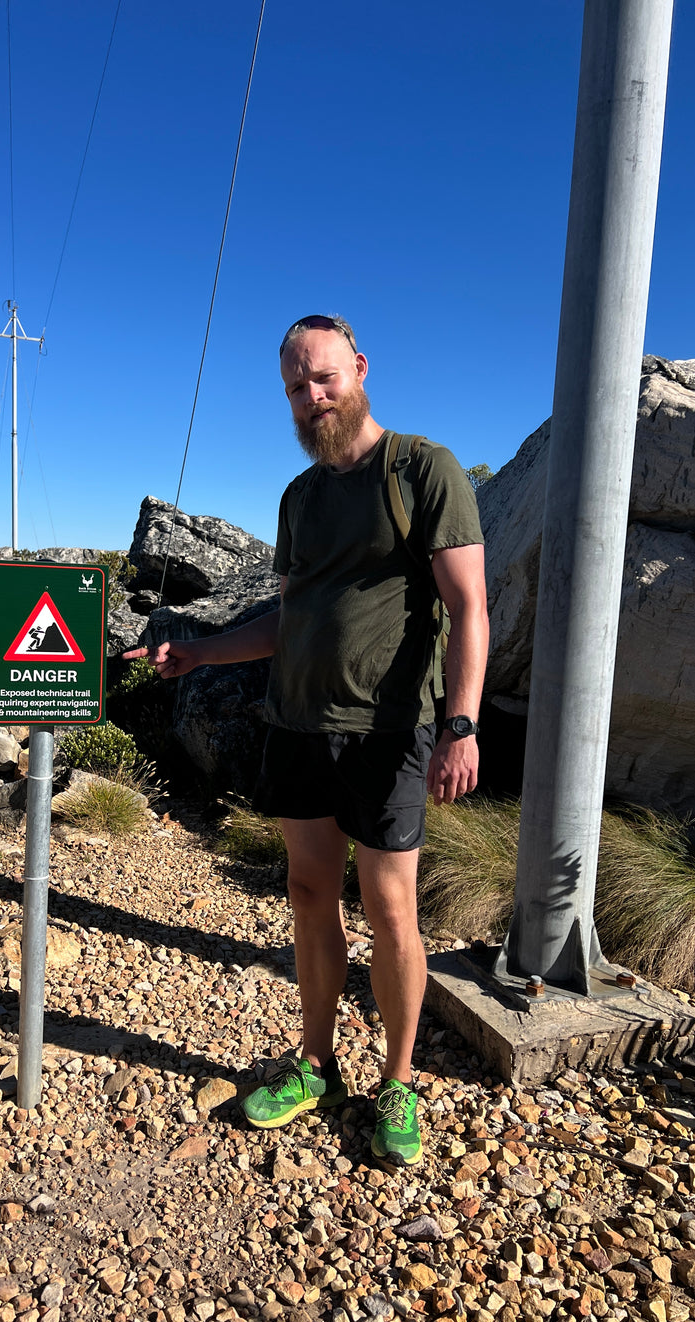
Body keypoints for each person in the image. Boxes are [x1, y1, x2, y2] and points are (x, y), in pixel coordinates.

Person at [125, 314, 488, 1166]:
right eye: (296, 386)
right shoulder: (301, 496)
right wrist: (201, 650)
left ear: (359, 368)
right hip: (297, 723)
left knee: (392, 908)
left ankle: (397, 1081)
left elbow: (470, 608)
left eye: (322, 378)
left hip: (390, 730)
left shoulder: (421, 469)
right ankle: (318, 1063)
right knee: (307, 892)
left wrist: (462, 723)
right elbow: (289, 618)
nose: (311, 397)